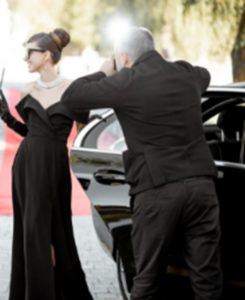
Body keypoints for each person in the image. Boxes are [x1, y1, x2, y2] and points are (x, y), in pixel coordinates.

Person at [61, 27, 222, 300]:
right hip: (201, 188)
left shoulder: (126, 81)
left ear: (122, 56)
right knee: (207, 281)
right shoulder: (186, 74)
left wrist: (104, 72)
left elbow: (72, 96)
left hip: (157, 191)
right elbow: (204, 74)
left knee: (147, 281)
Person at [0, 28, 93, 300]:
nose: (26, 58)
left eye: (30, 52)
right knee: (34, 233)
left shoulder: (74, 90)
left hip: (55, 168)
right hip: (27, 167)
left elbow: (86, 132)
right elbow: (33, 133)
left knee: (57, 233)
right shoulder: (28, 89)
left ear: (47, 56)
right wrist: (7, 117)